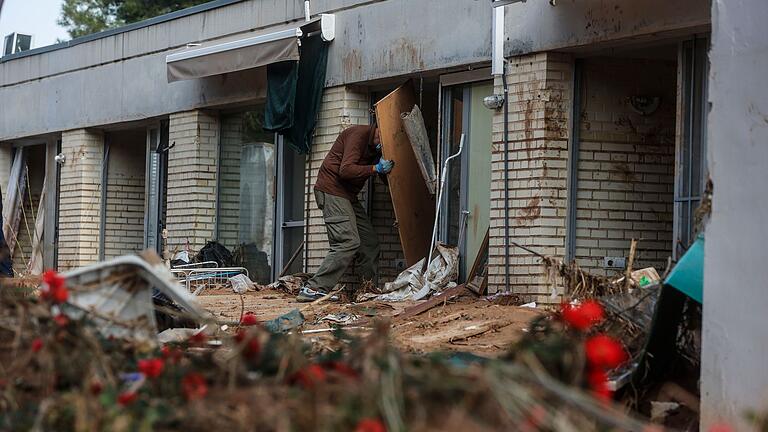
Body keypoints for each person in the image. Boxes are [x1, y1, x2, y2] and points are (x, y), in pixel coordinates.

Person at [296, 123, 394, 302]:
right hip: (331, 190)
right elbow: (346, 170)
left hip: (348, 196)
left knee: (369, 243)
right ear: (380, 128)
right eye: (384, 137)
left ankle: (365, 291)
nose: (384, 143)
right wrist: (375, 168)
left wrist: (389, 171)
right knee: (347, 241)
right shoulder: (359, 134)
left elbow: (381, 174)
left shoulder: (376, 148)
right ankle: (313, 288)